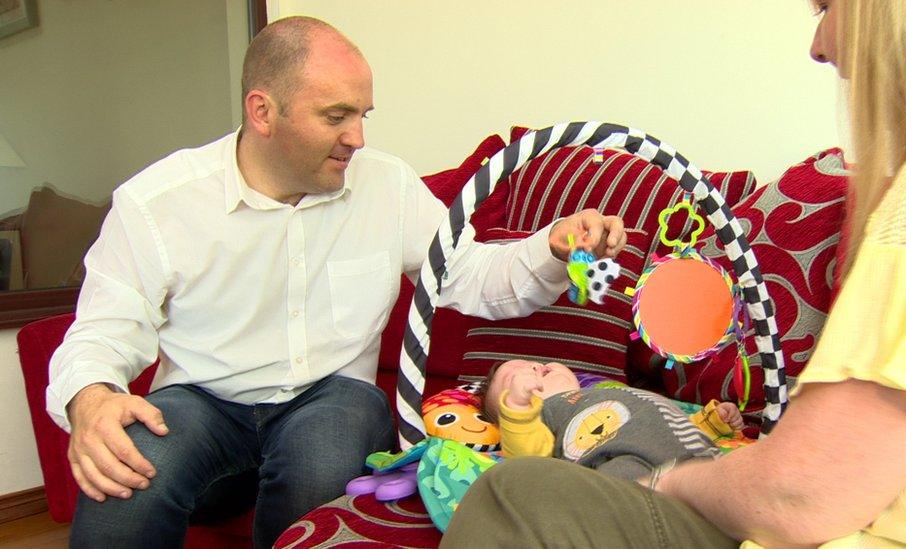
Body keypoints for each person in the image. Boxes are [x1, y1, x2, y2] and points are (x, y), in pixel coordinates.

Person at [47, 16, 627, 548]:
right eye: (336, 117)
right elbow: (102, 328)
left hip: (329, 398)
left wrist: (551, 247)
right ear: (262, 111)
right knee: (125, 465)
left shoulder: (387, 186)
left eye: (362, 115)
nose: (358, 138)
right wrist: (92, 399)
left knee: (323, 449)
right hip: (204, 403)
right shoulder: (157, 203)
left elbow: (472, 276)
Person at [443, 1, 906, 547]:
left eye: (827, 5)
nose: (817, 44)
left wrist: (665, 480)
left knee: (514, 496)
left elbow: (798, 493)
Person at [480, 359, 744, 481]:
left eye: (532, 362)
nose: (532, 368)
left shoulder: (606, 392)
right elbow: (529, 458)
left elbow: (662, 424)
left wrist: (710, 423)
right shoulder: (547, 413)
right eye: (513, 379)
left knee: (736, 483)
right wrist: (518, 409)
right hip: (623, 469)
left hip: (690, 456)